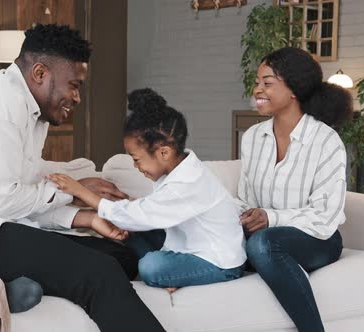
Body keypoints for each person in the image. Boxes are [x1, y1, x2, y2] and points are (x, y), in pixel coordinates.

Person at [0, 24, 166, 331]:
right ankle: (2, 280)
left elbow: (27, 196)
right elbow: (0, 201)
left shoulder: (34, 112)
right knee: (99, 271)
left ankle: (14, 283)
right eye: (74, 85)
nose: (77, 97)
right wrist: (74, 191)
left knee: (121, 257)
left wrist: (85, 216)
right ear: (40, 74)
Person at [49, 88, 247, 293]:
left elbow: (147, 211)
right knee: (131, 233)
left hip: (219, 262)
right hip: (187, 244)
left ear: (164, 152)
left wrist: (82, 192)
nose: (136, 166)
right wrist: (131, 205)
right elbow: (153, 211)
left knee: (151, 266)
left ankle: (170, 275)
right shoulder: (175, 170)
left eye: (136, 159)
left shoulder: (188, 182)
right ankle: (171, 273)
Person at [237, 47, 353, 332]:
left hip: (318, 239)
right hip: (263, 234)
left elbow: (325, 215)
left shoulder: (326, 141)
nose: (257, 90)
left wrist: (271, 218)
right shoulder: (253, 137)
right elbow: (246, 198)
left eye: (267, 83)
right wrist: (246, 216)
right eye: (257, 82)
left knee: (263, 245)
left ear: (293, 89)